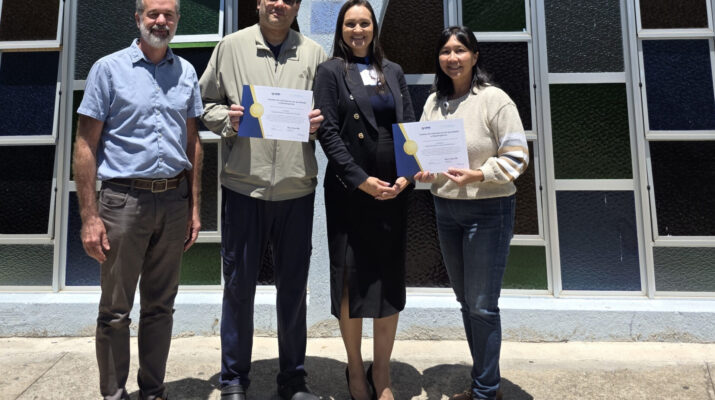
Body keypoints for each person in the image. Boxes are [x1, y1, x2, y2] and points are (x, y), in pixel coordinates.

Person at [73, 0, 203, 398]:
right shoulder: (108, 69)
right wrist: (90, 216)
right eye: (153, 14)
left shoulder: (186, 72)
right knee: (115, 310)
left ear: (177, 20)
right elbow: (85, 144)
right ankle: (114, 394)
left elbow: (193, 142)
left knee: (160, 307)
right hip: (123, 203)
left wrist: (195, 208)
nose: (161, 21)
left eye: (169, 15)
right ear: (138, 19)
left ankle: (153, 390)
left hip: (174, 201)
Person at [198, 0, 326, 399]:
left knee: (294, 289)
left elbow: (329, 114)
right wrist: (228, 120)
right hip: (244, 186)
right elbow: (204, 104)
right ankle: (234, 379)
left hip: (295, 188)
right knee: (239, 287)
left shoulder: (314, 54)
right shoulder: (230, 47)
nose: (279, 4)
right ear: (258, 2)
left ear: (297, 6)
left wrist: (318, 124)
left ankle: (293, 380)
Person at [414, 26, 529, 400]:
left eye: (460, 50)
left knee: (482, 305)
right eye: (445, 51)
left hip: (488, 210)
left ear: (475, 56)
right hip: (446, 209)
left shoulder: (494, 100)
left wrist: (478, 174)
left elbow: (517, 157)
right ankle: (485, 385)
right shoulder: (434, 103)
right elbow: (426, 157)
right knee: (467, 302)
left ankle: (485, 391)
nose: (452, 58)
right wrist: (424, 171)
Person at [312, 1, 414, 399]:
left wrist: (407, 174)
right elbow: (328, 132)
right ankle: (355, 369)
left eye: (365, 23)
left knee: (388, 281)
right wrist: (360, 180)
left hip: (393, 191)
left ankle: (381, 372)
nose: (358, 30)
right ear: (341, 29)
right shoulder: (330, 72)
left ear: (375, 28)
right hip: (350, 193)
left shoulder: (393, 71)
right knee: (350, 281)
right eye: (350, 23)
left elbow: (408, 127)